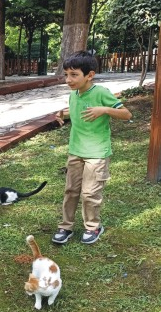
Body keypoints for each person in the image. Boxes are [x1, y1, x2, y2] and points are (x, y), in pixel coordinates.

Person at [51, 51, 132, 245]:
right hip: (75, 151)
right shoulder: (74, 94)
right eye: (66, 75)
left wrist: (103, 109)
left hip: (96, 153)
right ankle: (66, 226)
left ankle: (93, 226)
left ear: (90, 75)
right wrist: (63, 115)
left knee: (90, 193)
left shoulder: (101, 93)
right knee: (71, 190)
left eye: (74, 75)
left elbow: (126, 114)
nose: (68, 80)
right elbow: (79, 112)